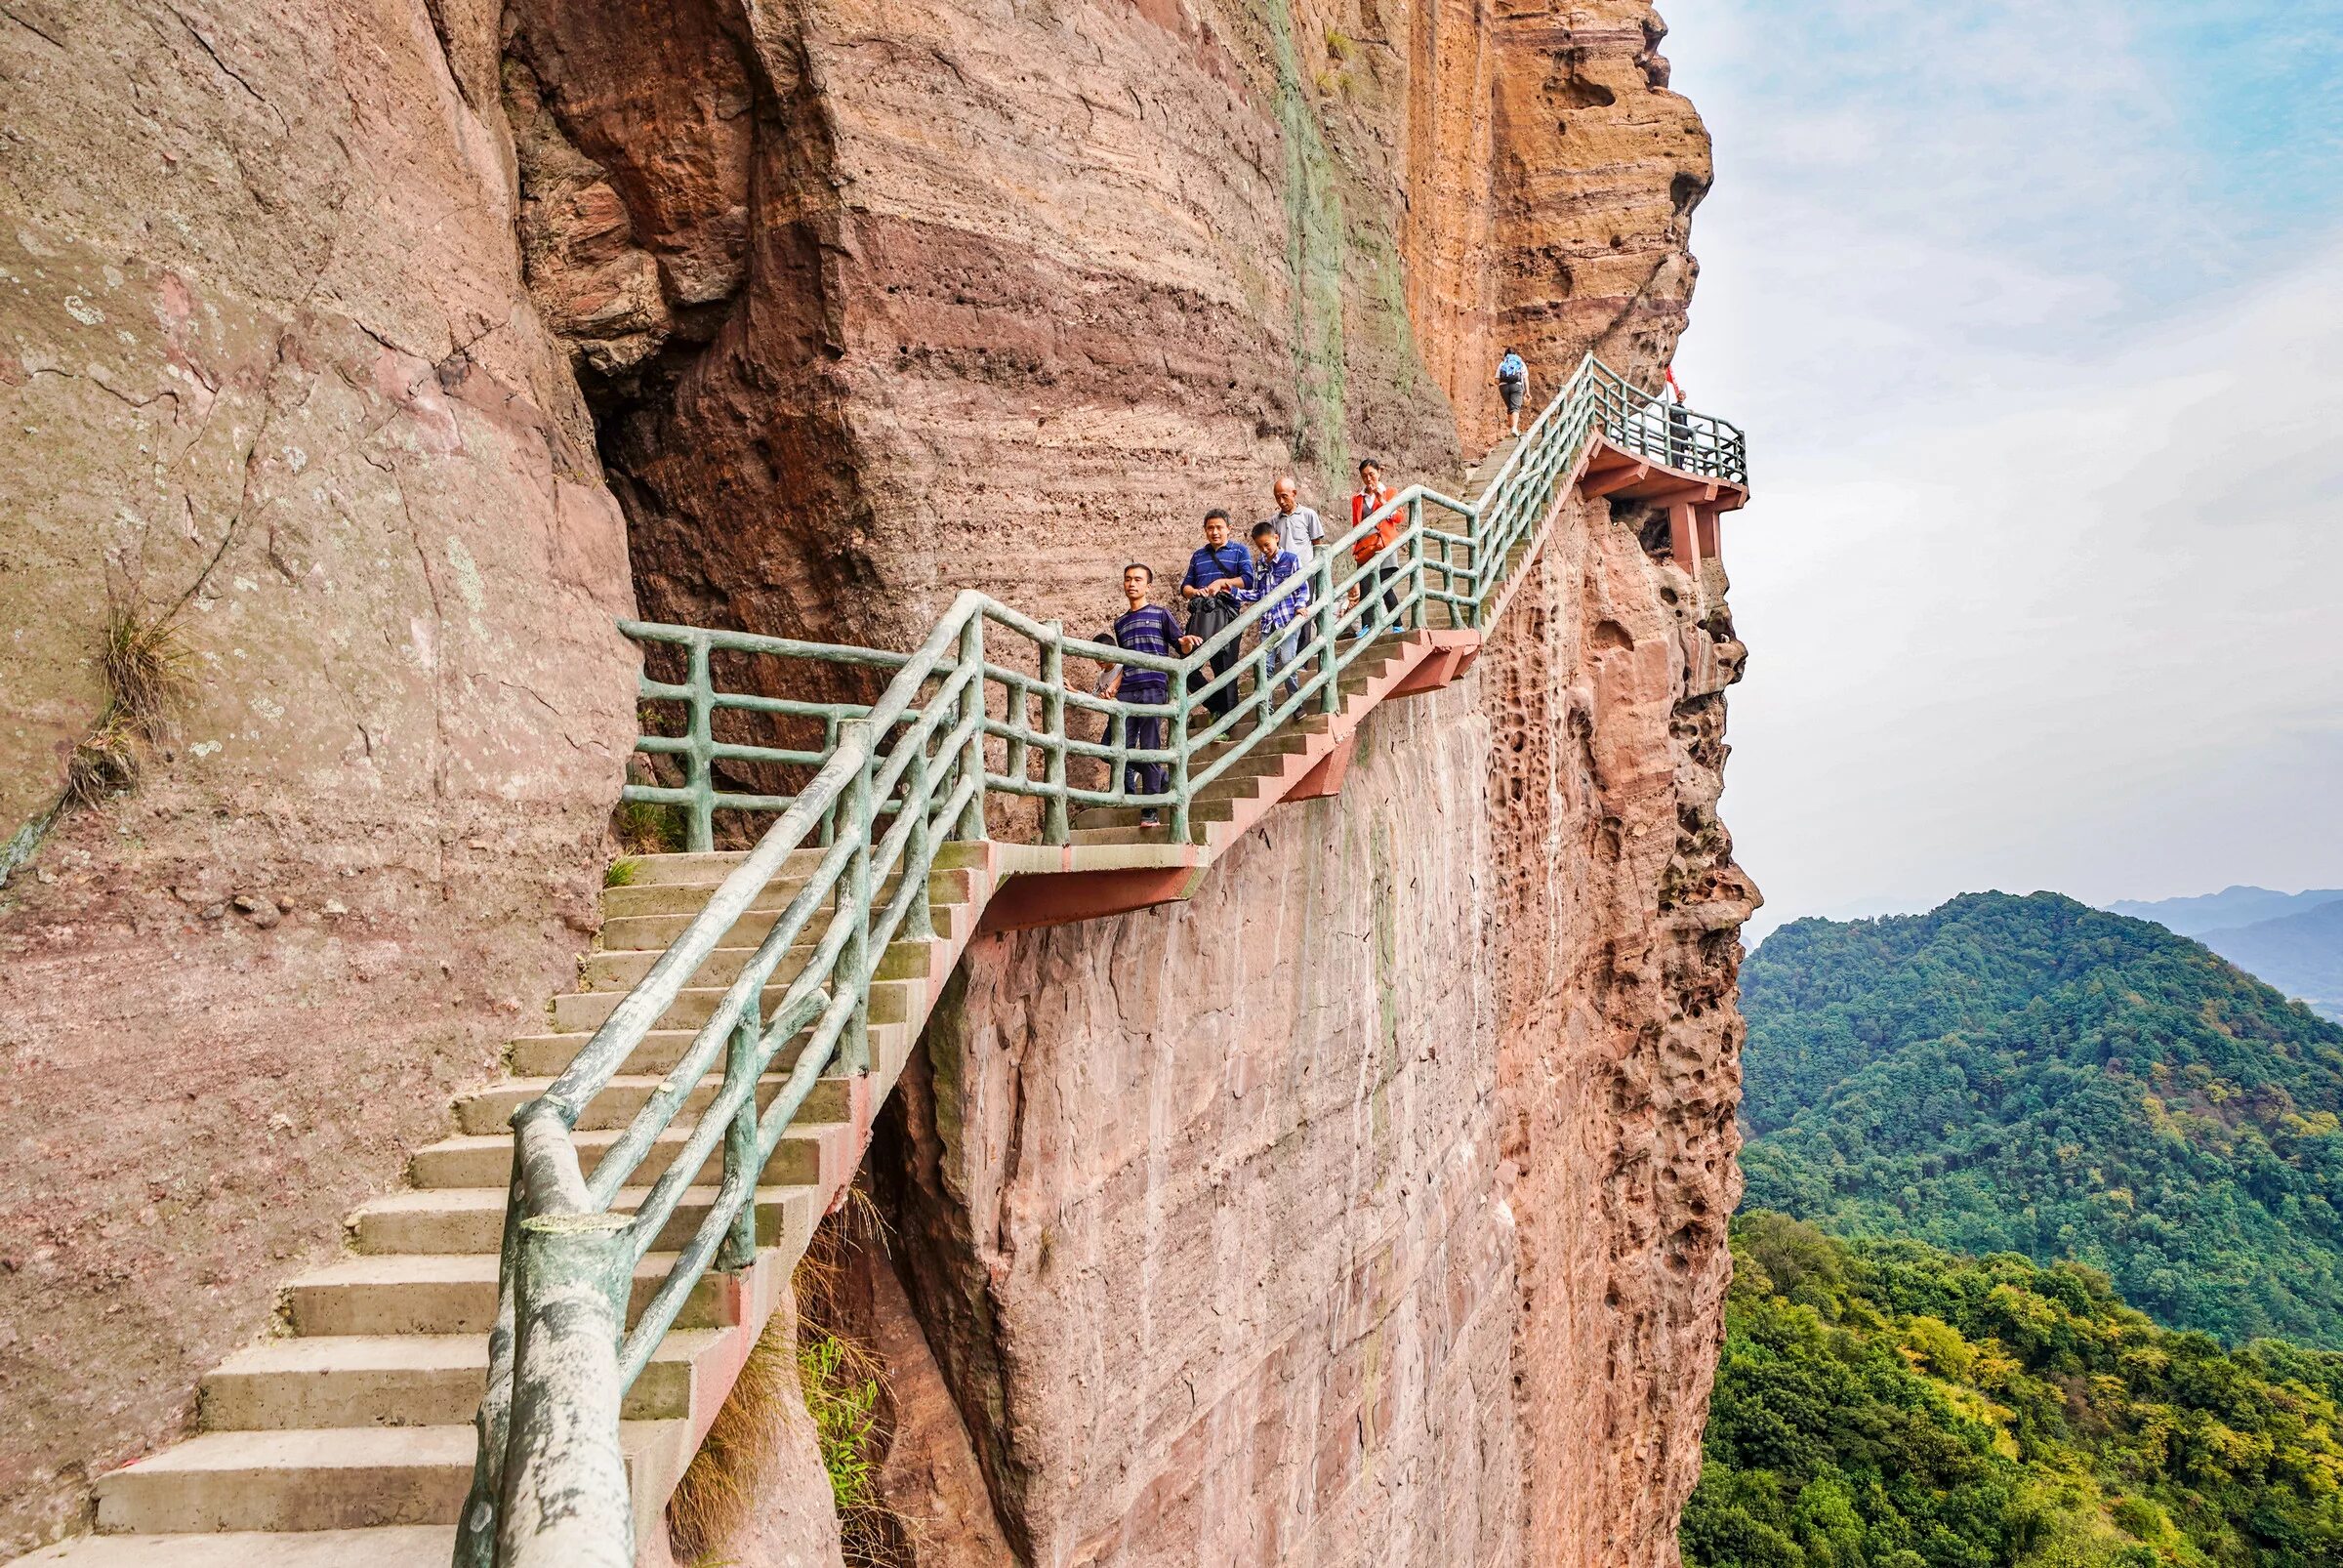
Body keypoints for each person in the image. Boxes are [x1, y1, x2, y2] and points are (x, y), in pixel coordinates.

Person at [1100, 563, 1196, 829]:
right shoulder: (1120, 622)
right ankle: (1162, 778)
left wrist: (1186, 643)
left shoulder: (1160, 614)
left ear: (1148, 586)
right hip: (1128, 690)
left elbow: (1180, 645)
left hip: (1154, 687)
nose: (1132, 584)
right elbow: (1126, 659)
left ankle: (1150, 810)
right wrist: (1117, 683)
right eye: (1128, 579)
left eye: (1138, 580)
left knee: (1150, 748)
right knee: (1114, 748)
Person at [1178, 509, 1253, 722]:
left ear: (1229, 529)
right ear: (1205, 530)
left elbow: (1248, 580)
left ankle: (1228, 722)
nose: (1215, 532)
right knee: (1188, 667)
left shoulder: (1240, 551)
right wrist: (1194, 591)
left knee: (1225, 668)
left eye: (1219, 527)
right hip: (1202, 613)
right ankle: (1218, 707)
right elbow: (1185, 587)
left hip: (1227, 613)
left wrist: (1222, 583)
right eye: (1210, 528)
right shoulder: (1198, 555)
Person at [1241, 520, 1310, 705]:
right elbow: (1258, 593)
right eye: (1260, 546)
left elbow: (1303, 588)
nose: (1264, 549)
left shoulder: (1291, 559)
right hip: (1268, 622)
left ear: (1276, 538)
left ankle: (1295, 702)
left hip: (1287, 619)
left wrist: (1300, 605)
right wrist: (1234, 592)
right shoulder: (1260, 565)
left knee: (1288, 662)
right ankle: (1267, 707)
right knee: (1265, 666)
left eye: (1267, 544)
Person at [1347, 457, 1402, 637]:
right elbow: (1357, 524)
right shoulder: (1357, 498)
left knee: (1385, 585)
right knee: (1365, 586)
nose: (1369, 479)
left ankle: (1397, 624)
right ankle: (1366, 626)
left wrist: (1382, 500)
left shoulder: (1390, 492)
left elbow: (1398, 517)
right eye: (1364, 476)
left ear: (1380, 472)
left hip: (1383, 544)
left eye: (1371, 474)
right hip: (1365, 546)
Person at [1262, 475, 1325, 566]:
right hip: (1284, 571)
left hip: (1305, 571)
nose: (1281, 501)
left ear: (1294, 493)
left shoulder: (1308, 514)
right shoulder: (1274, 521)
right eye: (1277, 497)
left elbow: (1317, 546)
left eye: (1284, 496)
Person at [1663, 364, 1693, 470]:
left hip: (1683, 432)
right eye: (1680, 395)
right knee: (1675, 451)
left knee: (1682, 452)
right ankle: (1675, 466)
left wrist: (1690, 432)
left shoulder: (1683, 409)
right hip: (1675, 431)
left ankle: (1680, 467)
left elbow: (1685, 422)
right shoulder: (1674, 406)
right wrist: (1684, 411)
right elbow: (1672, 415)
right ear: (1677, 396)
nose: (1681, 396)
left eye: (1683, 395)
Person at [1495, 347, 1528, 434]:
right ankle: (1514, 428)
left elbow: (1496, 380)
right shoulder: (1520, 363)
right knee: (1515, 408)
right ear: (1515, 354)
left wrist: (1503, 385)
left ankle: (1512, 429)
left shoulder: (1502, 364)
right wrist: (1527, 392)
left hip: (1503, 387)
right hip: (1516, 386)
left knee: (1510, 408)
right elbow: (1525, 378)